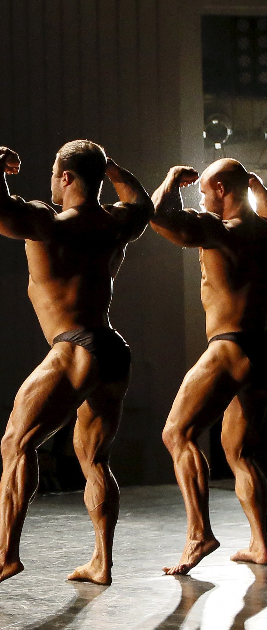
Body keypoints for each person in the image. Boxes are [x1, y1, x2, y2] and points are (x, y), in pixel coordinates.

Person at [0, 141, 154, 591]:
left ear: (67, 177)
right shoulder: (115, 223)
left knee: (16, 443)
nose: (51, 180)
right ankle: (101, 561)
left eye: (55, 172)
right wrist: (112, 169)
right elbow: (143, 205)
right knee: (94, 458)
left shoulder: (49, 223)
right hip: (112, 348)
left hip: (75, 346)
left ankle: (4, 556)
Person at [151, 159, 267, 575]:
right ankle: (262, 543)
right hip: (261, 350)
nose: (200, 200)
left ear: (221, 189)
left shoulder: (220, 230)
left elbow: (158, 217)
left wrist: (170, 180)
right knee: (240, 452)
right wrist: (257, 189)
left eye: (203, 192)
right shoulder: (263, 229)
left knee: (176, 433)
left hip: (229, 346)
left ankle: (200, 534)